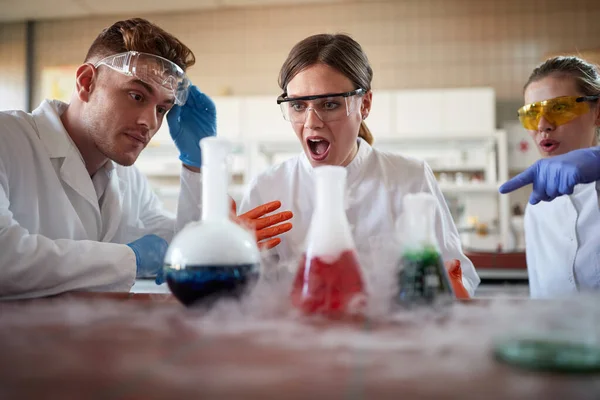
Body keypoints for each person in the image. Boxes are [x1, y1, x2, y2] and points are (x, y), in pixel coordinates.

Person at [0, 18, 291, 300]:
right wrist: (132, 259)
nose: (149, 123)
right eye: (137, 96)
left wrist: (197, 166)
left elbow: (178, 247)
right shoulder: (8, 139)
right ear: (86, 82)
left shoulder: (126, 179)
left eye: (163, 109)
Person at [239, 33, 479, 298]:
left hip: (391, 337)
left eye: (329, 104)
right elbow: (245, 299)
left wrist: (450, 288)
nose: (311, 123)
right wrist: (231, 256)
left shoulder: (410, 177)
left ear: (364, 104)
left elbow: (459, 276)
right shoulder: (268, 188)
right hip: (297, 337)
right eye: (297, 105)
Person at [499, 56, 600, 298]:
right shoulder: (538, 207)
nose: (543, 124)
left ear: (597, 113)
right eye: (532, 114)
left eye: (561, 108)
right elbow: (542, 297)